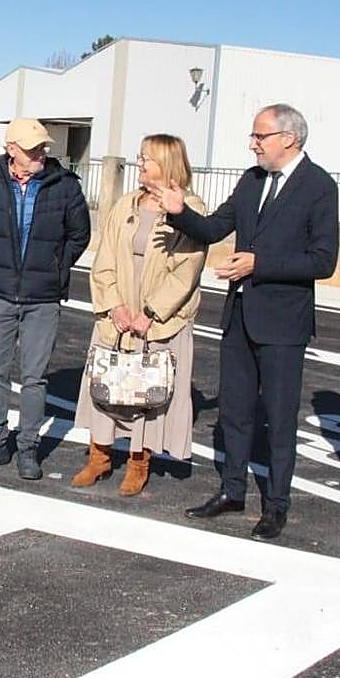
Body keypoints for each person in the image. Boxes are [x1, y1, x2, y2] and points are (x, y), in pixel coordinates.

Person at [151, 104, 339, 540]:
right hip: (240, 317)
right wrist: (180, 212)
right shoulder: (252, 181)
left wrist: (260, 263)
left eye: (260, 136)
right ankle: (232, 490)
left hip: (282, 325)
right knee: (234, 413)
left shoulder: (319, 187)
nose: (252, 143)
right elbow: (216, 227)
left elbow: (323, 260)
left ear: (288, 139)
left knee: (278, 418)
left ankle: (276, 505)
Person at [72, 134, 207, 494]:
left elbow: (187, 271)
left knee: (149, 390)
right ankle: (98, 455)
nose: (140, 163)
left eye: (146, 158)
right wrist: (114, 304)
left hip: (159, 317)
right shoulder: (125, 204)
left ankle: (139, 460)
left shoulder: (190, 209)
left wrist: (151, 312)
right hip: (120, 312)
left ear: (166, 163)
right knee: (107, 383)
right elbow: (104, 259)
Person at [0, 117, 91, 480]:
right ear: (11, 150)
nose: (42, 153)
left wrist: (55, 267)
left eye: (43, 147)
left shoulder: (64, 185)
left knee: (34, 378)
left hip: (43, 298)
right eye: (33, 148)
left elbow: (79, 235)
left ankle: (28, 447)